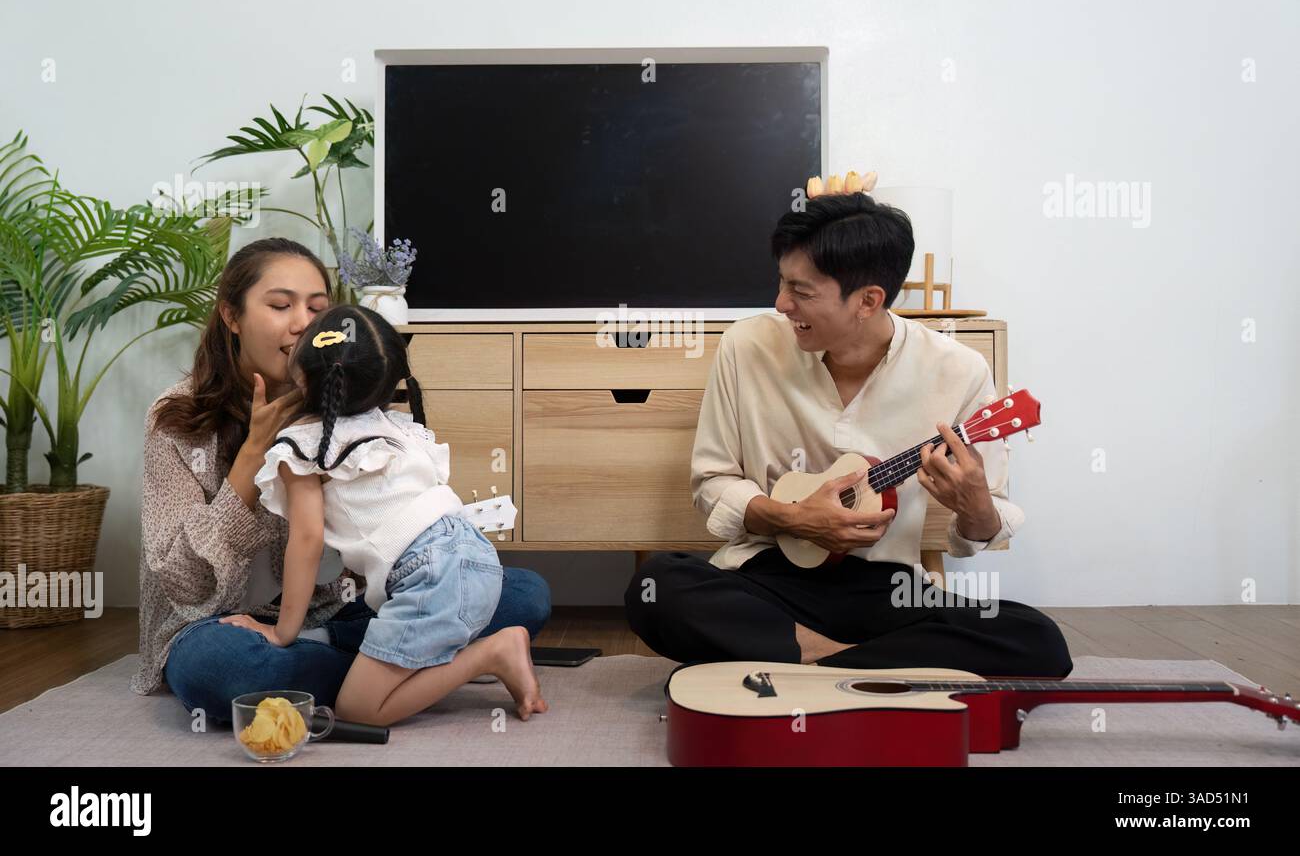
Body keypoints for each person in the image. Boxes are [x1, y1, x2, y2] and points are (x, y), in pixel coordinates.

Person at [624, 192, 1073, 678]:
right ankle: (862, 666)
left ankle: (802, 658)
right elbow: (711, 482)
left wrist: (977, 508)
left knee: (1038, 638)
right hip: (769, 579)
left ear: (868, 300)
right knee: (656, 586)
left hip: (886, 587)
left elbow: (982, 527)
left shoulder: (958, 370)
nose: (781, 304)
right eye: (781, 282)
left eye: (802, 291)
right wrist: (794, 519)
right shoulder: (747, 346)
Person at [132, 237, 551, 725]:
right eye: (280, 305)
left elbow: (386, 541)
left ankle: (369, 671)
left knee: (523, 593)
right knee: (219, 667)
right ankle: (403, 668)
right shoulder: (176, 420)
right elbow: (184, 583)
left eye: (317, 308)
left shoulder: (345, 401)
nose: (302, 324)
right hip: (216, 626)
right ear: (231, 315)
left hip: (332, 617)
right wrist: (252, 454)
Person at [219, 304, 547, 725]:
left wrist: (283, 633)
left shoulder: (302, 447)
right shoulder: (395, 427)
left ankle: (490, 654)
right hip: (478, 559)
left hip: (430, 576)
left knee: (358, 709)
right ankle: (457, 650)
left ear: (302, 373)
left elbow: (307, 541)